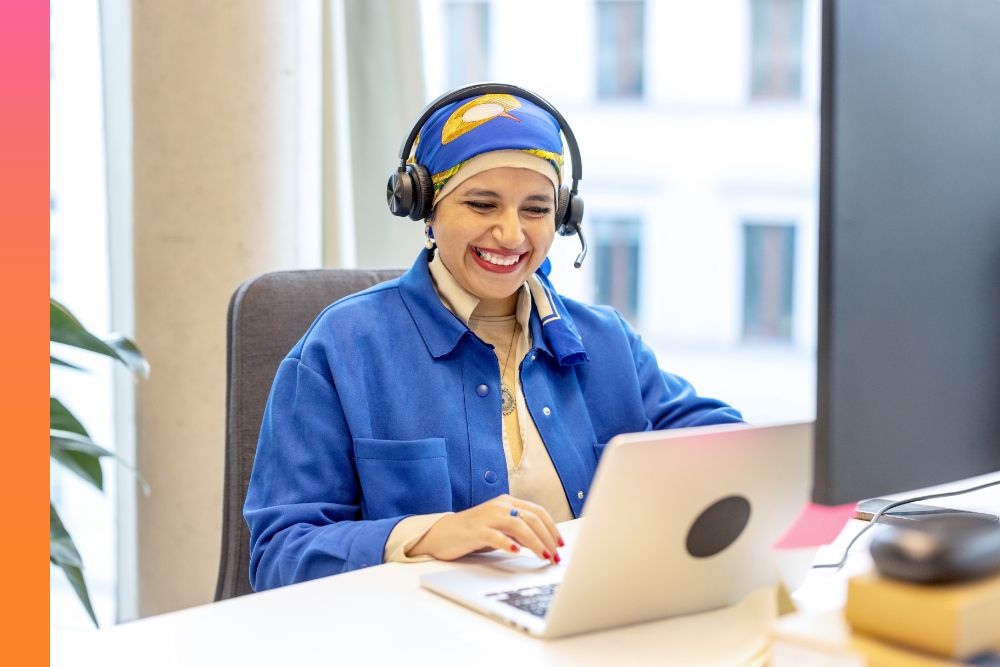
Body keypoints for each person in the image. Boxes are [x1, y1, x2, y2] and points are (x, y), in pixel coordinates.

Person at [244, 84, 742, 592]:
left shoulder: (606, 341)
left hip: (583, 624)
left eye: (536, 209)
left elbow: (733, 445)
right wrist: (427, 533)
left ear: (563, 217)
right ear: (426, 208)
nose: (511, 235)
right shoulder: (342, 348)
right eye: (483, 204)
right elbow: (280, 555)